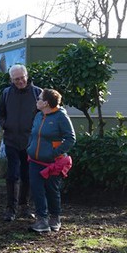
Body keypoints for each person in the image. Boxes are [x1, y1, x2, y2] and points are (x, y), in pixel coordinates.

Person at [27, 88, 76, 233]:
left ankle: (55, 217)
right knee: (37, 190)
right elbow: (33, 134)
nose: (37, 101)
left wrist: (54, 153)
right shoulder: (38, 116)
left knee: (51, 190)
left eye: (39, 99)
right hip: (35, 161)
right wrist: (30, 147)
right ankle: (42, 220)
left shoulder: (61, 117)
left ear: (46, 103)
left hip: (53, 163)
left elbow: (70, 138)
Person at [0, 64, 42, 222]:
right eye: (16, 79)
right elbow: (1, 114)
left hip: (31, 142)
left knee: (27, 175)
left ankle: (25, 206)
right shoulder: (6, 93)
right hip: (11, 141)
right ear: (11, 79)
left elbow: (44, 116)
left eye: (22, 78)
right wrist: (5, 125)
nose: (20, 81)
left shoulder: (38, 93)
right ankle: (11, 209)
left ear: (27, 76)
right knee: (12, 175)